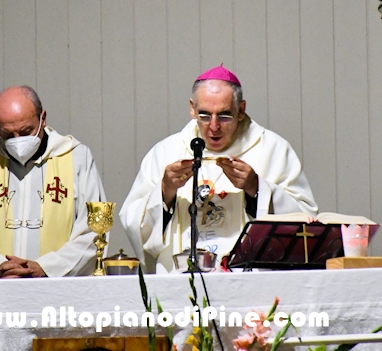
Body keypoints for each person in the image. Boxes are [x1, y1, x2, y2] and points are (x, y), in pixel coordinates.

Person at [120, 65, 317, 273]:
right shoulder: (166, 152)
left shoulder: (273, 149)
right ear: (191, 108)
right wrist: (164, 192)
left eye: (224, 116)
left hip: (250, 283)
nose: (213, 127)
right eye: (204, 115)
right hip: (180, 281)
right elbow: (133, 223)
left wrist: (256, 188)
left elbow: (306, 221)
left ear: (241, 110)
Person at [0, 86, 106, 279]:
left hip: (59, 291)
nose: (18, 141)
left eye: (26, 131)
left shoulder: (77, 158)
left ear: (43, 118)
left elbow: (92, 231)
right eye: (7, 134)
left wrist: (46, 268)